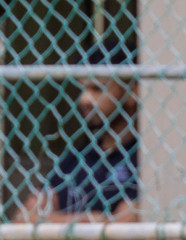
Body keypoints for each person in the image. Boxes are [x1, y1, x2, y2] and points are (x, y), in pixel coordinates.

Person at [16, 34, 139, 224]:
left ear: (133, 92)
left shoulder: (141, 159)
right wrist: (93, 221)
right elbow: (23, 219)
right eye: (82, 89)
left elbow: (123, 228)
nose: (84, 100)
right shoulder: (77, 158)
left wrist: (48, 222)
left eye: (97, 89)